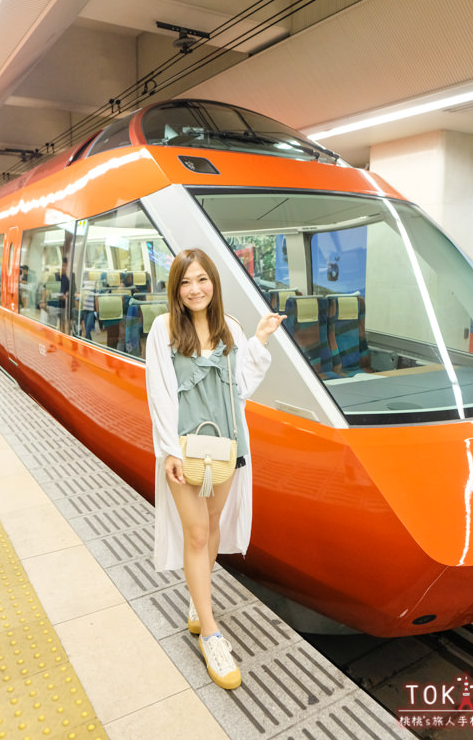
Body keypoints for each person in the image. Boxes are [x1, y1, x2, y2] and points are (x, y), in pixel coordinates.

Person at [145, 248, 285, 690]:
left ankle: (197, 597)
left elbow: (240, 386)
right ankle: (211, 633)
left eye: (202, 279)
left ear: (214, 283)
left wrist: (260, 340)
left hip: (227, 446)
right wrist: (169, 450)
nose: (195, 289)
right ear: (176, 289)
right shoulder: (164, 329)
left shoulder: (232, 329)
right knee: (197, 533)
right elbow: (160, 393)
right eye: (185, 282)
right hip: (185, 448)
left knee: (213, 523)